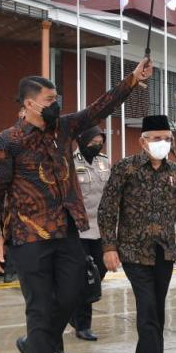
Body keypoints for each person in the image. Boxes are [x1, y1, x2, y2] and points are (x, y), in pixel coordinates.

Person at [0, 56, 152, 353]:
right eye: (49, 99)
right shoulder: (8, 141)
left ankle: (35, 343)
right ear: (30, 103)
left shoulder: (63, 128)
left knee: (77, 292)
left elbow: (97, 110)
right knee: (40, 305)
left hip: (66, 230)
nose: (55, 104)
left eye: (56, 98)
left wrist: (132, 80)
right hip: (28, 236)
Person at [98, 115, 176, 353]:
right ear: (143, 141)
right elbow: (108, 210)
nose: (163, 144)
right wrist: (109, 247)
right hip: (132, 250)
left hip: (164, 251)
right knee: (147, 305)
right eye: (157, 139)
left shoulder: (175, 172)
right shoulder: (126, 169)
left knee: (157, 306)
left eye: (167, 139)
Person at [69, 126, 110, 341]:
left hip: (100, 228)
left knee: (99, 271)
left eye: (100, 141)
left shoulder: (104, 162)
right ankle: (83, 324)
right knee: (85, 276)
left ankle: (74, 312)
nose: (97, 145)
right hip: (79, 230)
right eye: (93, 141)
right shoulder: (70, 163)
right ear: (82, 140)